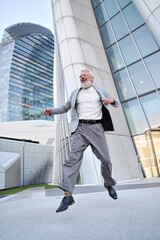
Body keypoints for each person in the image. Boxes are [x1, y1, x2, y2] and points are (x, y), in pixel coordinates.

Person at [44, 69, 119, 213]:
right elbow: (65, 108)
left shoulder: (100, 91)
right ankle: (67, 195)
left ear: (92, 77)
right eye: (80, 76)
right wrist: (51, 111)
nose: (82, 77)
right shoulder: (75, 93)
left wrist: (112, 100)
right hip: (80, 129)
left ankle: (109, 184)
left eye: (85, 75)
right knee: (73, 160)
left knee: (106, 160)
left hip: (97, 128)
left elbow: (115, 103)